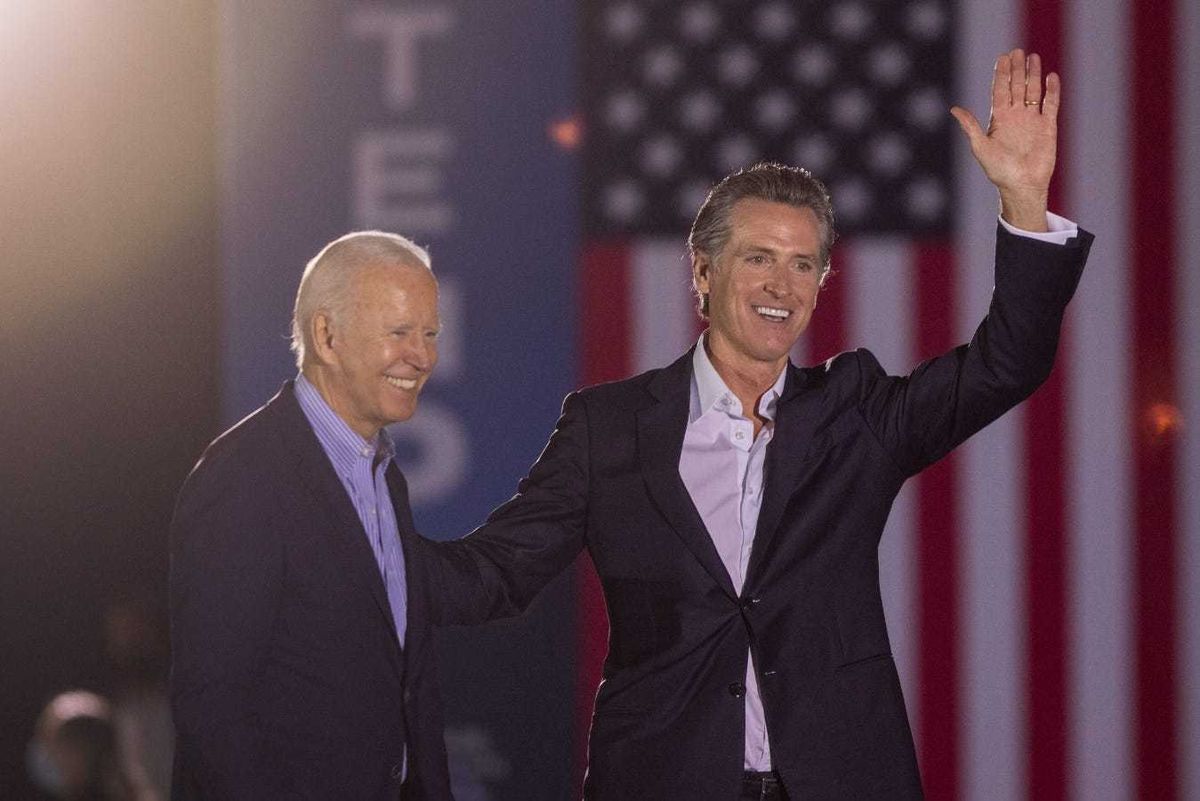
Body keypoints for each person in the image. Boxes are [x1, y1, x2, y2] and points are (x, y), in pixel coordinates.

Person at [422, 49, 1093, 799]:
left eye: (805, 264)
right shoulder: (606, 429)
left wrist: (1025, 201)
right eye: (759, 259)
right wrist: (362, 547)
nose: (783, 285)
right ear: (704, 273)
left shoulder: (856, 412)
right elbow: (496, 572)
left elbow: (1007, 364)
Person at [169, 232, 458, 799]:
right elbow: (212, 707)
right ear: (327, 336)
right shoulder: (244, 478)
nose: (422, 357)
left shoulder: (382, 477)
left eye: (429, 334)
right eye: (399, 332)